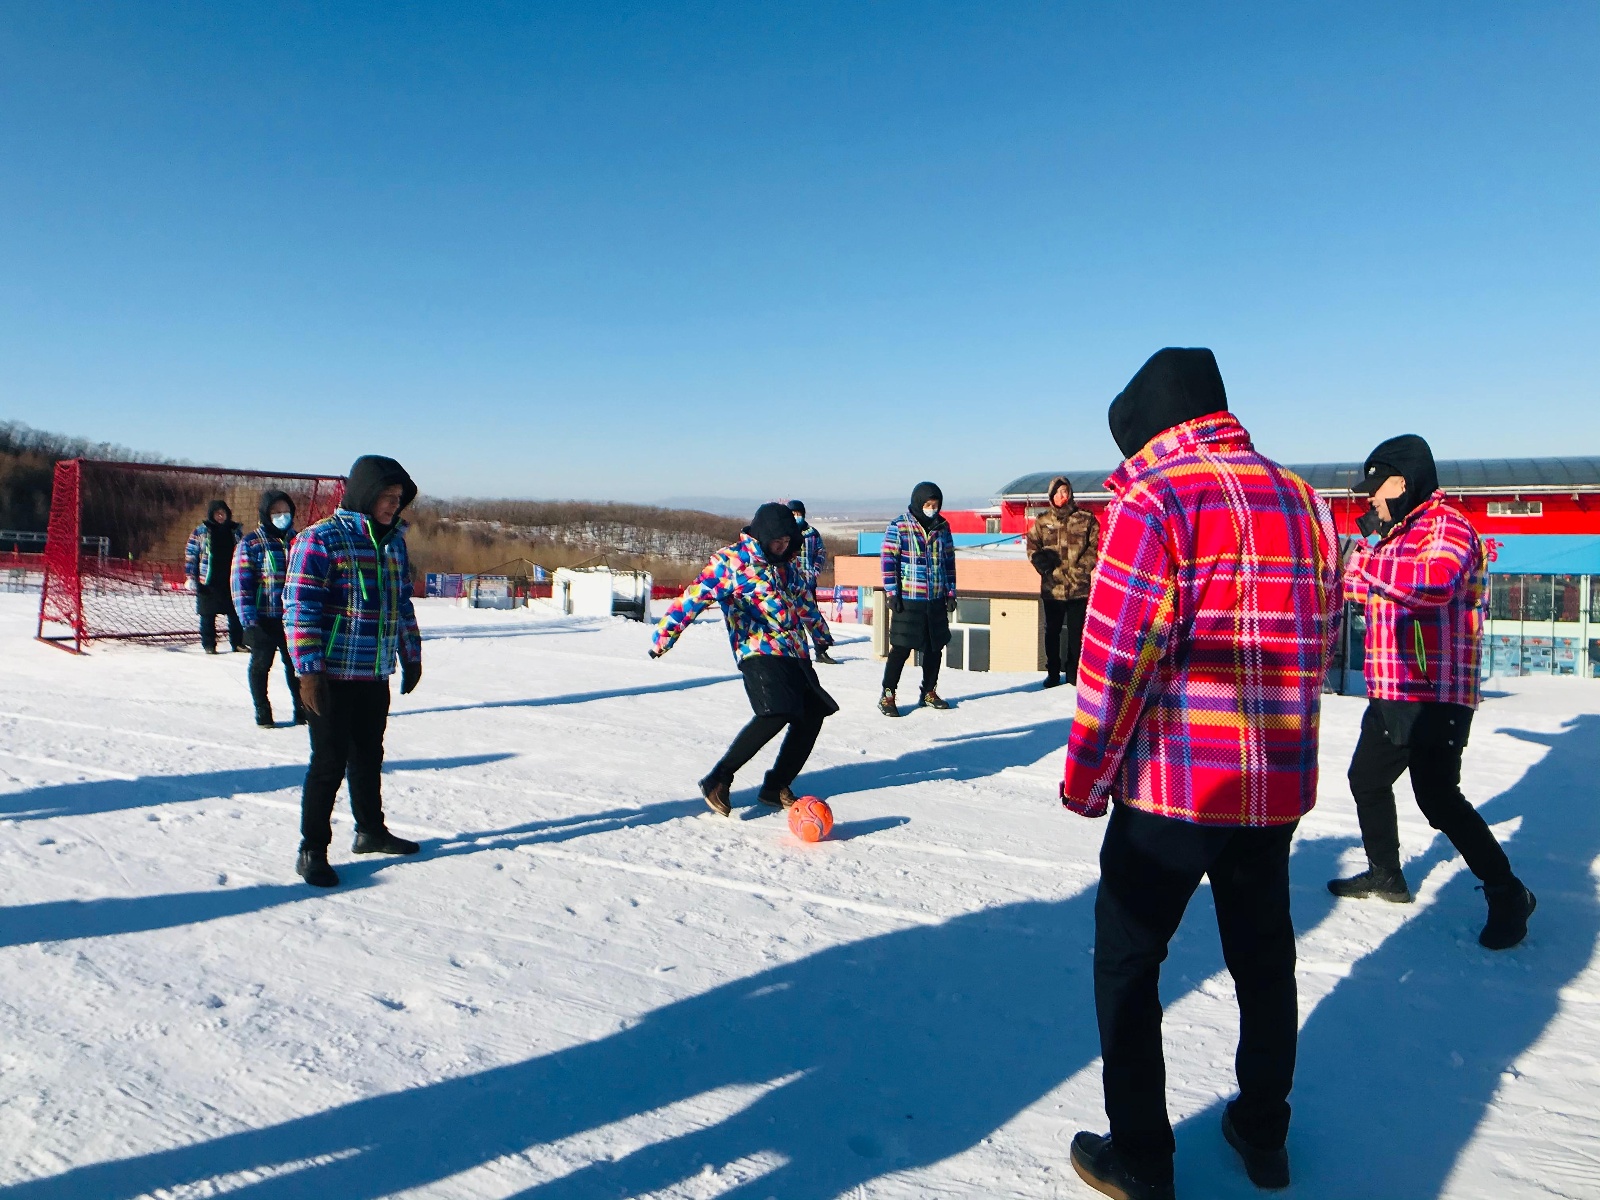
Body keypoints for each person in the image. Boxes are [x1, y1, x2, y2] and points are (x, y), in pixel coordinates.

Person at [1059, 348, 1341, 1200]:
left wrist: (1086, 778)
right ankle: (1263, 1131)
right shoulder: (1307, 499)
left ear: (1147, 428)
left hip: (1176, 790)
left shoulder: (1156, 499)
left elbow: (1117, 657)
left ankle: (1141, 1155)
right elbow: (1324, 638)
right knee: (1262, 958)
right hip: (1275, 783)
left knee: (1129, 962)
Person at [1329, 434, 1536, 950]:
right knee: (1366, 779)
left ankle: (1508, 893)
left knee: (1438, 799)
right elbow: (1367, 587)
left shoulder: (1448, 527)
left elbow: (1434, 582)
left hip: (1436, 695)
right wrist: (1332, 570)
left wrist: (1361, 562)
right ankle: (1387, 875)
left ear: (1404, 480)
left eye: (1377, 487)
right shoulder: (1401, 533)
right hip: (1392, 689)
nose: (1370, 499)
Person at [284, 456, 424, 888]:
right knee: (328, 762)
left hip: (373, 673)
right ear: (365, 494)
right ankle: (313, 849)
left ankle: (370, 831)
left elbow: (400, 603)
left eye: (398, 499)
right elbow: (299, 608)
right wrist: (308, 672)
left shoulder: (393, 544)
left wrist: (411, 653)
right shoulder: (320, 540)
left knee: (368, 756)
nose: (392, 505)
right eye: (386, 496)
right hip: (330, 676)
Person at [652, 502, 838, 816]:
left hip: (794, 649)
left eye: (788, 543)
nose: (782, 547)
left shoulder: (788, 567)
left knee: (811, 716)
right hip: (756, 647)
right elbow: (695, 596)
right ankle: (718, 779)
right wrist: (665, 634)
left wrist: (820, 636)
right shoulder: (732, 562)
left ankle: (775, 785)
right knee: (775, 711)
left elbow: (805, 603)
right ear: (764, 535)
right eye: (777, 541)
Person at [877, 482, 957, 717]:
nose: (932, 508)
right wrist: (892, 593)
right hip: (909, 598)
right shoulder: (899, 525)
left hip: (935, 598)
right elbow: (888, 561)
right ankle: (888, 695)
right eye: (928, 504)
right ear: (917, 502)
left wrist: (950, 592)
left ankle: (929, 692)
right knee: (901, 648)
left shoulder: (942, 527)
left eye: (936, 505)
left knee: (935, 647)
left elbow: (949, 562)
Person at [231, 490, 306, 728]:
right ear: (265, 514)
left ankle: (303, 708)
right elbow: (240, 585)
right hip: (263, 618)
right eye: (275, 512)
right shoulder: (251, 543)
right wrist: (249, 622)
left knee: (297, 665)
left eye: (285, 511)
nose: (281, 516)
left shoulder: (299, 540)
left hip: (292, 618)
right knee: (262, 664)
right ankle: (262, 710)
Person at [1025, 476, 1099, 687]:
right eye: (1057, 493)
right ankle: (1053, 672)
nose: (1061, 496)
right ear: (1051, 496)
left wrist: (1082, 568)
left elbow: (1095, 546)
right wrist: (1040, 562)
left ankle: (1074, 672)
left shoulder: (1086, 519)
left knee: (1077, 632)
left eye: (1065, 492)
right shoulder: (1042, 521)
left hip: (1078, 588)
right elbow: (1032, 546)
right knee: (1053, 631)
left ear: (1071, 494)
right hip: (1053, 587)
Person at [185, 500, 244, 653]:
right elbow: (191, 554)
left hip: (230, 580)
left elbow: (243, 554)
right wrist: (190, 576)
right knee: (207, 614)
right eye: (217, 513)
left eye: (222, 513)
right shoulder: (200, 532)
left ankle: (238, 642)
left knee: (235, 614)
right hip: (208, 581)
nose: (220, 516)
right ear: (211, 515)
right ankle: (209, 644)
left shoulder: (235, 531)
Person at [787, 499, 838, 665]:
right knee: (790, 619)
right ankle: (793, 652)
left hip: (808, 582)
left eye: (799, 514)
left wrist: (815, 569)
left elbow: (821, 551)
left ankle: (821, 650)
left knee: (813, 618)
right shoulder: (784, 532)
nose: (796, 517)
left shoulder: (812, 532)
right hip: (788, 583)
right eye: (793, 514)